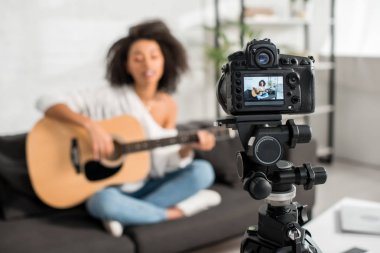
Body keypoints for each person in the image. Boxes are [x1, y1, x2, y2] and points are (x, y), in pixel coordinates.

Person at [36, 19, 221, 237]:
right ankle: (174, 212)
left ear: (165, 60)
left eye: (154, 56)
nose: (147, 65)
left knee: (202, 171)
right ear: (127, 65)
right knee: (101, 202)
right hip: (112, 188)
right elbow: (46, 100)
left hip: (148, 184)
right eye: (138, 58)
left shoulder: (169, 105)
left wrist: (187, 148)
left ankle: (126, 214)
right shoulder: (107, 96)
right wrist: (90, 126)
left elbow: (162, 162)